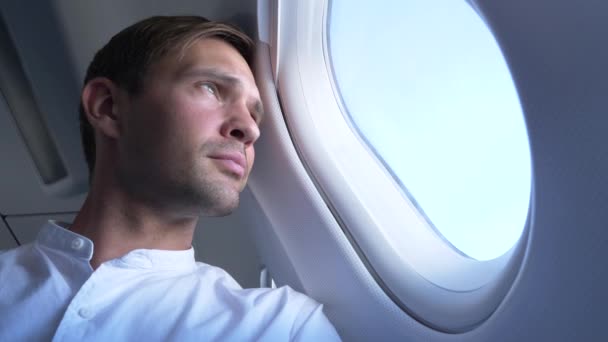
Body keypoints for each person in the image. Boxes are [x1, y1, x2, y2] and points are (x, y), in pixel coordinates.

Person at [0, 16, 340, 341]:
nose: (249, 128)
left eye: (255, 114)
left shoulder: (281, 327)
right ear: (107, 106)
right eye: (211, 88)